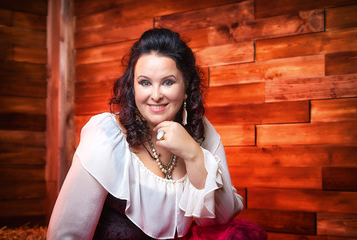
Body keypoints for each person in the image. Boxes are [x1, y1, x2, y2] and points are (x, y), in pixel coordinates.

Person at [47, 28, 258, 240]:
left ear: (186, 87)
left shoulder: (202, 132)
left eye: (168, 82)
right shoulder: (106, 135)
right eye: (145, 82)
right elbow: (66, 234)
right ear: (133, 87)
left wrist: (193, 155)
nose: (155, 95)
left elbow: (222, 221)